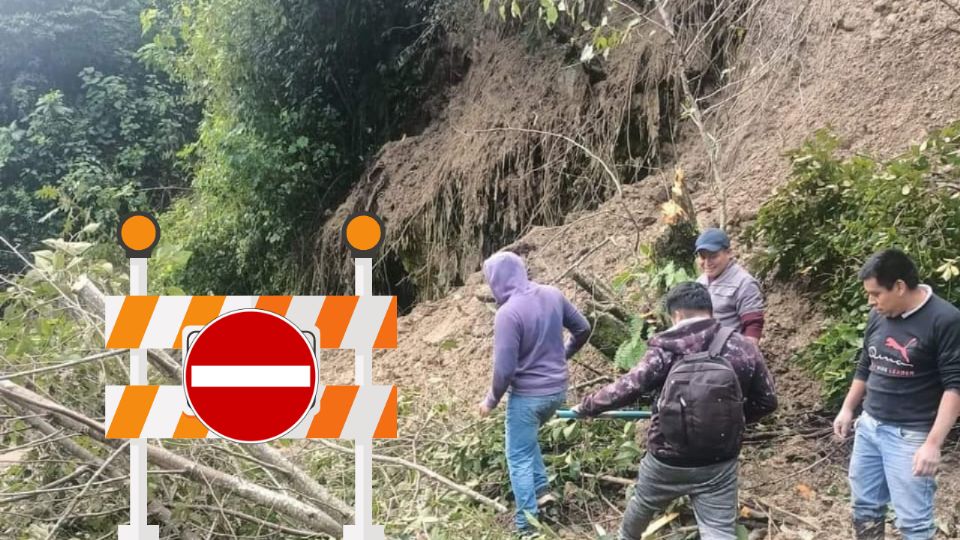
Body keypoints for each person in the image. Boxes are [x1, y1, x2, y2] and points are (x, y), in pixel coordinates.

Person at [573, 281, 777, 540]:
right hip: (719, 460)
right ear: (709, 310)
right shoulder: (742, 347)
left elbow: (627, 387)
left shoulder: (664, 348)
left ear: (676, 314)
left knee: (643, 504)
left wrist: (587, 406)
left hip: (667, 457)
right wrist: (731, 419)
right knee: (719, 529)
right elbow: (768, 401)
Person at [833, 249, 960, 540]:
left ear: (900, 286)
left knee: (914, 523)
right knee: (865, 507)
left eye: (876, 294)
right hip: (870, 427)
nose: (871, 301)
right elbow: (867, 363)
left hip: (910, 436)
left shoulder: (945, 320)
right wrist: (848, 408)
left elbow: (955, 386)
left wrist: (932, 444)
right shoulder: (879, 315)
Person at [476, 251, 591, 534]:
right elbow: (583, 328)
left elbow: (504, 369)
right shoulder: (552, 294)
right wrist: (563, 355)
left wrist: (490, 400)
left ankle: (526, 526)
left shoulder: (508, 314)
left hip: (528, 397)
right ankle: (542, 490)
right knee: (526, 443)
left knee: (517, 456)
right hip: (557, 392)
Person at [694, 228, 765, 345]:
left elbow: (753, 326)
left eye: (713, 256)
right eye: (702, 257)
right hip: (703, 355)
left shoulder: (744, 283)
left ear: (729, 253)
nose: (707, 262)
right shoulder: (700, 282)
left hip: (730, 355)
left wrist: (746, 356)